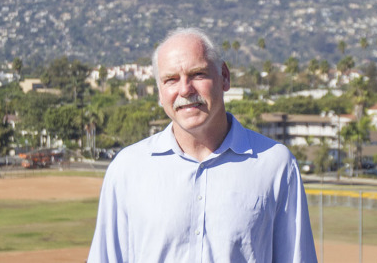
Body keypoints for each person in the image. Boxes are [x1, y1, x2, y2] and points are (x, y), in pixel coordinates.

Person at [87, 27, 318, 263]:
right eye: (171, 80)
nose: (185, 89)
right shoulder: (128, 168)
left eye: (197, 74)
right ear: (159, 92)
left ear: (225, 77)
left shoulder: (275, 164)